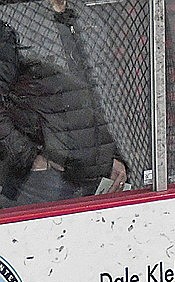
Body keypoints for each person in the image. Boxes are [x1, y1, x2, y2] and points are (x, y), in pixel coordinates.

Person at [0, 1, 127, 207]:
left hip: (80, 175)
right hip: (45, 182)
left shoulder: (42, 74)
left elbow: (89, 99)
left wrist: (109, 159)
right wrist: (31, 158)